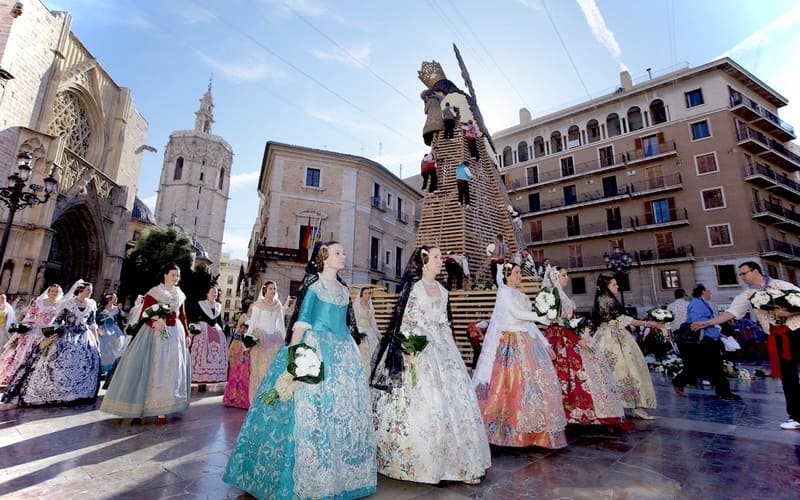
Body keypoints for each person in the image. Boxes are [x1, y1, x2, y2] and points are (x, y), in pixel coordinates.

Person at [224, 241, 376, 499]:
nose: (344, 255)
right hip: (314, 348)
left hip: (342, 355)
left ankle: (340, 473)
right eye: (338, 252)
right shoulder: (314, 288)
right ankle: (311, 472)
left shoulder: (343, 289)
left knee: (341, 409)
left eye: (343, 251)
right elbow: (301, 323)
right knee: (310, 410)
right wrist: (292, 361)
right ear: (325, 257)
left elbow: (347, 323)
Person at [372, 245, 491, 485]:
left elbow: (445, 323)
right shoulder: (413, 288)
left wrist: (451, 349)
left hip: (443, 349)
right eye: (436, 258)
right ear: (425, 261)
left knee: (456, 402)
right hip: (419, 347)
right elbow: (404, 322)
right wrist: (412, 348)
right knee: (429, 400)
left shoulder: (444, 290)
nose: (441, 261)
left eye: (440, 258)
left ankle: (462, 464)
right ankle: (426, 464)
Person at [473, 262, 567, 448]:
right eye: (516, 273)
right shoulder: (504, 292)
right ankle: (506, 431)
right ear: (507, 275)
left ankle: (535, 432)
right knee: (510, 384)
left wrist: (545, 343)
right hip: (510, 342)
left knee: (533, 384)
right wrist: (540, 316)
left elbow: (528, 323)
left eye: (519, 273)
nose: (519, 276)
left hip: (525, 339)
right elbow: (517, 314)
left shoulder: (522, 295)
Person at [694, 262, 797, 428]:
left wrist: (788, 313)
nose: (741, 277)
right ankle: (796, 415)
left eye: (744, 273)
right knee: (788, 376)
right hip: (776, 335)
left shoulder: (781, 285)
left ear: (755, 271)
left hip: (796, 330)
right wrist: (706, 323)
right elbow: (731, 313)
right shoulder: (748, 294)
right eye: (740, 274)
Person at [100, 263, 191, 424]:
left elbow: (182, 316)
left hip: (175, 334)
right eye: (173, 275)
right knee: (153, 369)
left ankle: (164, 408)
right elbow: (145, 314)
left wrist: (188, 334)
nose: (176, 278)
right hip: (155, 334)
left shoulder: (180, 294)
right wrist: (154, 323)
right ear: (165, 275)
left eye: (178, 276)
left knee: (170, 370)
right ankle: (146, 406)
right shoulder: (154, 292)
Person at [541, 266, 625, 427]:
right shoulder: (554, 296)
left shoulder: (563, 296)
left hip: (568, 334)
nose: (567, 278)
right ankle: (567, 412)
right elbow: (561, 322)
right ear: (556, 278)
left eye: (566, 274)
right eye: (563, 275)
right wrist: (577, 338)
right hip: (561, 337)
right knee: (565, 373)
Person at [2, 280, 100, 406]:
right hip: (67, 335)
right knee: (59, 364)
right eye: (88, 290)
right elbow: (58, 321)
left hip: (85, 337)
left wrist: (96, 339)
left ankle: (79, 393)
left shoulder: (91, 304)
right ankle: (59, 393)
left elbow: (92, 324)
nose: (90, 292)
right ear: (81, 290)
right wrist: (51, 333)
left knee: (86, 364)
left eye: (91, 290)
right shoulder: (67, 304)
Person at [592, 275, 661, 420]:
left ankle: (628, 405)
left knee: (625, 369)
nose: (617, 287)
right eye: (614, 285)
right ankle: (632, 406)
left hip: (611, 335)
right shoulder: (607, 300)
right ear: (606, 286)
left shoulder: (605, 299)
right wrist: (650, 324)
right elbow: (623, 319)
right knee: (623, 369)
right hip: (611, 337)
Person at [671, 284, 741, 401]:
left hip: (707, 339)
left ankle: (679, 382)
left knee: (701, 366)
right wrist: (713, 325)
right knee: (712, 365)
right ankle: (723, 392)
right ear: (703, 292)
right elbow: (697, 322)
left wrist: (718, 333)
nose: (710, 293)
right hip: (704, 341)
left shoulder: (700, 303)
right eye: (709, 291)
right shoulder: (697, 304)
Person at [0, 284, 62, 387]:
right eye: (53, 291)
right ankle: (14, 377)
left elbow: (60, 320)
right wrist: (26, 326)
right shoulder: (39, 302)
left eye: (57, 292)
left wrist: (54, 329)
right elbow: (30, 315)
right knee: (23, 353)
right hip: (34, 330)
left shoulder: (60, 305)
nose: (55, 293)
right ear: (48, 292)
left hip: (47, 332)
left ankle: (32, 380)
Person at [246, 280, 285, 403]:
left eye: (274, 289)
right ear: (265, 290)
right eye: (270, 289)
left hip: (275, 341)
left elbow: (281, 325)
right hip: (261, 341)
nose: (273, 291)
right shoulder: (258, 304)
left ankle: (271, 399)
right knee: (260, 371)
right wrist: (248, 338)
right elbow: (252, 323)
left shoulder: (278, 305)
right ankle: (258, 400)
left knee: (273, 371)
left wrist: (283, 342)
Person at [189, 285, 227, 391]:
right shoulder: (201, 304)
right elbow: (194, 317)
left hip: (216, 332)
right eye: (212, 292)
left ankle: (213, 378)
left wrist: (222, 333)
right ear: (207, 293)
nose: (214, 294)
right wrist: (194, 327)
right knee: (202, 354)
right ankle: (201, 381)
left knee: (215, 355)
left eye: (215, 292)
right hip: (203, 331)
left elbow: (219, 321)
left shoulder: (218, 305)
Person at [222, 315, 251, 409]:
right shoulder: (238, 337)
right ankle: (232, 398)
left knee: (244, 377)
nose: (243, 330)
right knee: (235, 376)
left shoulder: (249, 337)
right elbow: (233, 348)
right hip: (239, 358)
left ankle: (242, 400)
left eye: (245, 328)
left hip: (246, 358)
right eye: (242, 328)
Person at [97, 292, 127, 374]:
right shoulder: (101, 309)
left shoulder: (117, 309)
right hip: (104, 330)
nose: (116, 298)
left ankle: (115, 366)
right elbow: (97, 322)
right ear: (109, 299)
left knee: (117, 347)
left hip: (115, 330)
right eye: (114, 297)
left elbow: (123, 318)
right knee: (105, 348)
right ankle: (104, 368)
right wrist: (99, 330)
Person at [353, 286, 380, 375]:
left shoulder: (370, 306)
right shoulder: (357, 305)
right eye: (365, 293)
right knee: (363, 353)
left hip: (370, 330)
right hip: (361, 330)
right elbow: (355, 318)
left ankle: (371, 374)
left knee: (374, 351)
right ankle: (363, 374)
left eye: (369, 293)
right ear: (361, 294)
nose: (368, 295)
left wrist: (378, 334)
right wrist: (357, 332)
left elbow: (373, 321)